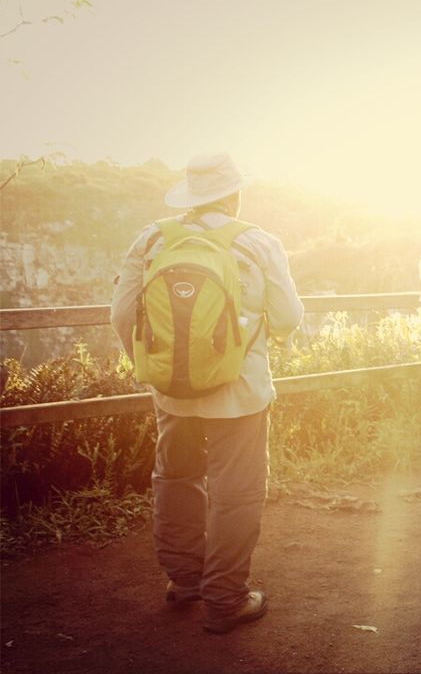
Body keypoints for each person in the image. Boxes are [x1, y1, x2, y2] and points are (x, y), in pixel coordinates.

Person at [109, 152, 304, 634]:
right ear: (235, 195)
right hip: (239, 391)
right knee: (235, 492)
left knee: (175, 478)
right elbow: (287, 319)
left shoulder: (152, 238)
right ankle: (226, 599)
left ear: (190, 195)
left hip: (172, 389)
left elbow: (121, 315)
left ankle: (185, 581)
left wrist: (157, 367)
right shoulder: (258, 243)